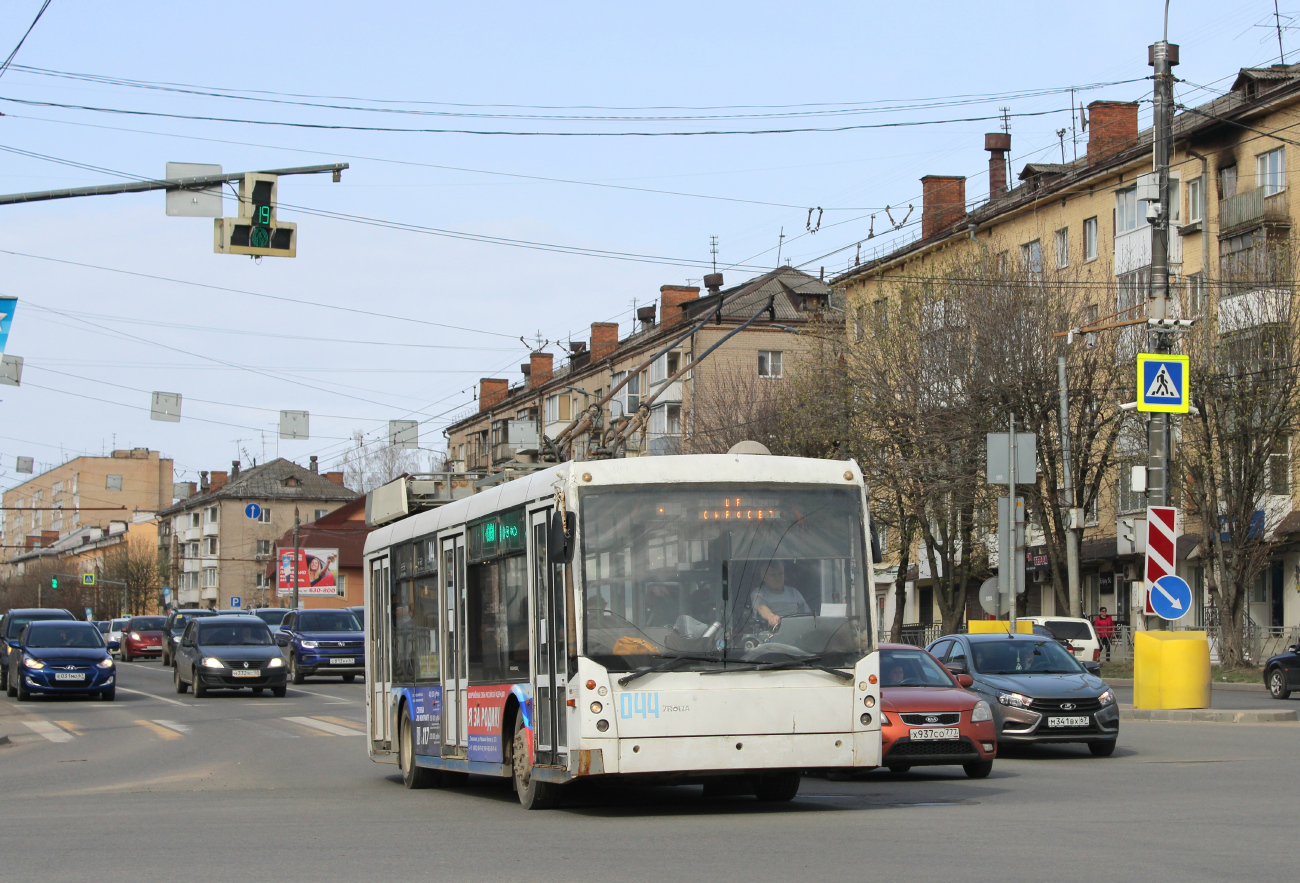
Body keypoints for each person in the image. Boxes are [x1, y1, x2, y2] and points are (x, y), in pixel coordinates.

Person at [751, 560, 811, 628]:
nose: (777, 578)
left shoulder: (794, 593)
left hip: (795, 631)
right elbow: (761, 608)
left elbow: (807, 615)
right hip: (770, 633)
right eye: (773, 575)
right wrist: (771, 617)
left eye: (780, 573)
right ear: (763, 577)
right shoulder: (759, 593)